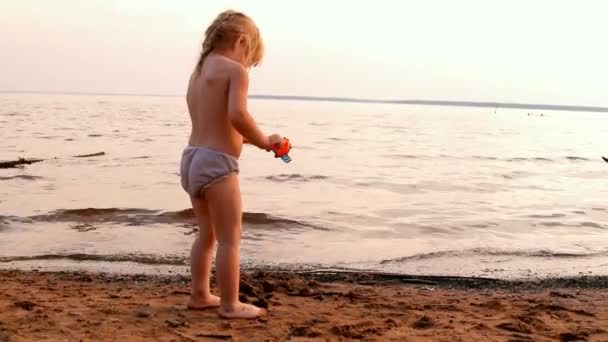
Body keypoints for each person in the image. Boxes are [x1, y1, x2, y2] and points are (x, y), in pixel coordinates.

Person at [180, 10, 283, 319]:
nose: (247, 66)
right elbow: (238, 116)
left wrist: (259, 141)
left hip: (192, 159)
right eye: (249, 58)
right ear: (241, 42)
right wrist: (266, 140)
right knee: (230, 238)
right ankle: (230, 304)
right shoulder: (234, 72)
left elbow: (219, 126)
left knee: (206, 234)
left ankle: (199, 294)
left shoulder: (198, 73)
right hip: (217, 165)